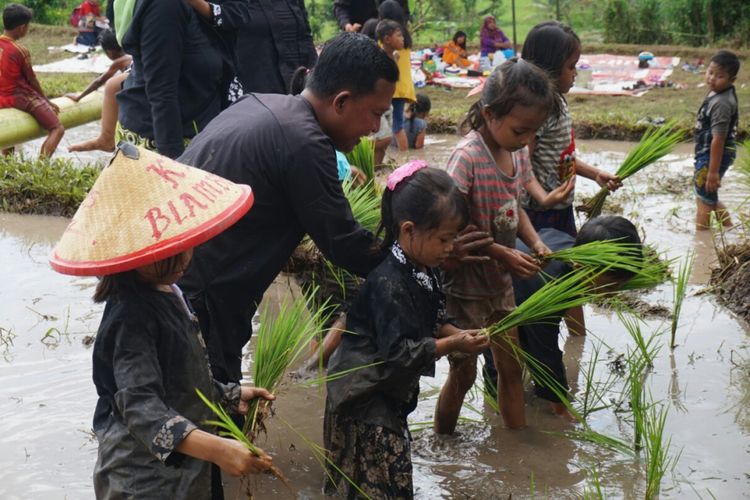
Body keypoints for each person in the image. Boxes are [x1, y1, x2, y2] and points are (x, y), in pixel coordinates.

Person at [49, 145, 275, 498]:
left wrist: (230, 395)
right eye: (167, 251)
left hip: (180, 474)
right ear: (130, 249)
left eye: (184, 242)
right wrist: (219, 449)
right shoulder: (131, 317)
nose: (184, 257)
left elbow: (181, 378)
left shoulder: (170, 291)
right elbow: (141, 408)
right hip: (142, 481)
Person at [176, 33, 397, 385]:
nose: (373, 129)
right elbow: (344, 244)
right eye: (375, 114)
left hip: (175, 283)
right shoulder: (305, 143)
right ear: (341, 101)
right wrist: (412, 257)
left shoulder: (262, 103)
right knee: (208, 415)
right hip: (202, 299)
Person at [324, 163, 490, 499]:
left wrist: (458, 332)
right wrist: (453, 342)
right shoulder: (389, 283)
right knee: (375, 486)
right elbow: (400, 354)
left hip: (384, 394)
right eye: (444, 238)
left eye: (454, 237)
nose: (451, 247)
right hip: (363, 400)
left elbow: (430, 316)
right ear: (409, 230)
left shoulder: (423, 267)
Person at [434, 60, 576, 435]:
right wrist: (501, 252)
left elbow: (516, 208)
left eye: (532, 132)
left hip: (500, 286)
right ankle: (444, 444)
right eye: (520, 130)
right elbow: (452, 224)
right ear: (488, 113)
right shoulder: (467, 157)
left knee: (511, 370)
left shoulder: (517, 152)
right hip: (465, 290)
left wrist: (535, 242)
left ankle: (518, 449)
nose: (527, 139)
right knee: (463, 376)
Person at [483, 216, 644, 421]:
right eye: (610, 286)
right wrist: (561, 407)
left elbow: (572, 298)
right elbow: (545, 352)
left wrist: (578, 336)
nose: (612, 294)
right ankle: (495, 412)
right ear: (581, 268)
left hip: (518, 279)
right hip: (493, 293)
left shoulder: (571, 251)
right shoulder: (550, 287)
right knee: (502, 364)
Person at [521, 21, 621, 336]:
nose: (575, 74)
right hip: (537, 214)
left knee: (572, 276)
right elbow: (520, 161)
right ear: (547, 69)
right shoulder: (536, 110)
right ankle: (539, 336)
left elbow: (562, 155)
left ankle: (578, 339)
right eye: (570, 67)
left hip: (560, 207)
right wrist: (540, 195)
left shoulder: (560, 103)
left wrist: (594, 174)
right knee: (546, 279)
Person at [114, 0, 246, 158]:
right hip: (163, 140)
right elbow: (161, 91)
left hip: (198, 128)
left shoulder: (202, 7)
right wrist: (175, 165)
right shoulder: (167, 6)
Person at [0, 4, 64, 159]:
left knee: (10, 133)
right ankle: (41, 167)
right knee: (57, 129)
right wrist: (46, 100)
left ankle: (9, 166)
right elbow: (32, 80)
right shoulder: (19, 50)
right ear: (22, 28)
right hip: (18, 97)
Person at [693, 49, 740, 230]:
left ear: (731, 80)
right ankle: (730, 228)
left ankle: (701, 237)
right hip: (709, 153)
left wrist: (712, 173)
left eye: (719, 76)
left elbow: (718, 139)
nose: (712, 78)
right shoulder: (717, 93)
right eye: (710, 72)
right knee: (708, 196)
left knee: (703, 201)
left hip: (713, 155)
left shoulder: (721, 103)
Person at [67, 30, 132, 153]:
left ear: (110, 52)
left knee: (112, 86)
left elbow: (99, 81)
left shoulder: (121, 61)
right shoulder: (131, 56)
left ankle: (106, 139)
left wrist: (79, 96)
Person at [378, 1, 415, 151]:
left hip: (392, 87)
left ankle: (403, 158)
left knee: (394, 125)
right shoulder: (403, 35)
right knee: (397, 124)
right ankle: (404, 157)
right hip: (403, 87)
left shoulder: (389, 38)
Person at [333, 0, 409, 33]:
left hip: (390, 37)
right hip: (359, 33)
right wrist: (347, 25)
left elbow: (402, 10)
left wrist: (400, 30)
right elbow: (341, 6)